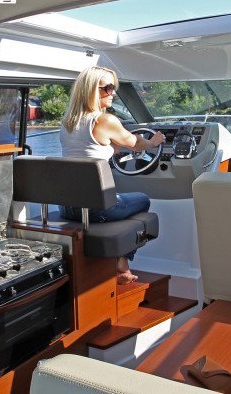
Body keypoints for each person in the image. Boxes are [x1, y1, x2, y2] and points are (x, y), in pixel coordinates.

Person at [59, 66, 165, 284]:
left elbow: (91, 150)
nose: (113, 93)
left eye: (113, 87)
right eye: (107, 88)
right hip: (96, 209)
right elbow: (136, 143)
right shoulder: (105, 121)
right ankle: (122, 261)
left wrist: (115, 149)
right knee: (143, 200)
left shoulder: (67, 121)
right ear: (91, 90)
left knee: (120, 201)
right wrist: (154, 142)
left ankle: (118, 264)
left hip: (67, 208)